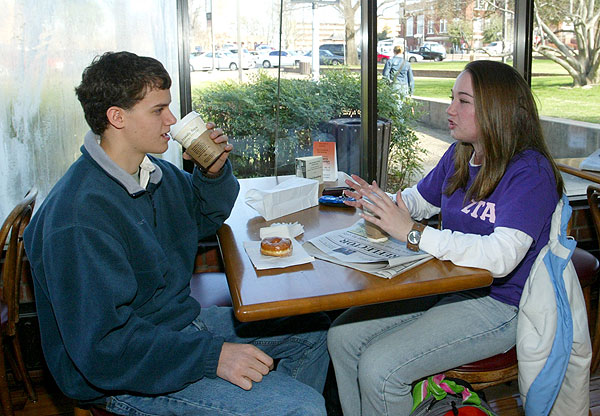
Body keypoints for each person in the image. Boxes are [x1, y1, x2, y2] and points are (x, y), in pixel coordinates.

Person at [24, 51, 329, 416]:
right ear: (116, 117)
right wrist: (210, 357)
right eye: (158, 110)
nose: (171, 120)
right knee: (304, 407)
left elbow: (201, 218)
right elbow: (103, 348)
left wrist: (213, 173)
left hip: (177, 326)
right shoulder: (77, 217)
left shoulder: (152, 174)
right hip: (122, 371)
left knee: (315, 331)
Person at [327, 60, 565, 415]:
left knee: (381, 369)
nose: (450, 110)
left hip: (502, 305)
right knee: (341, 337)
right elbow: (420, 201)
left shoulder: (531, 172)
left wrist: (411, 232)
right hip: (449, 286)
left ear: (496, 109)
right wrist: (385, 203)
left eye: (463, 101)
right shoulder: (461, 153)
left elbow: (501, 258)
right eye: (451, 98)